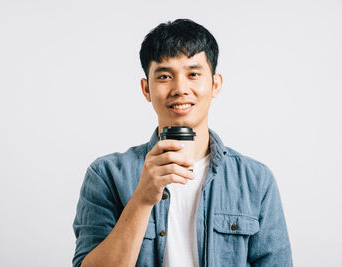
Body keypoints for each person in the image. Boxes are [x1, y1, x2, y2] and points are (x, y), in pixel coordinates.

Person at [72, 18, 293, 267]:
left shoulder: (255, 180)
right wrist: (142, 199)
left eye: (193, 74)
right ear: (146, 89)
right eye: (165, 76)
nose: (180, 88)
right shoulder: (106, 175)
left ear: (215, 84)